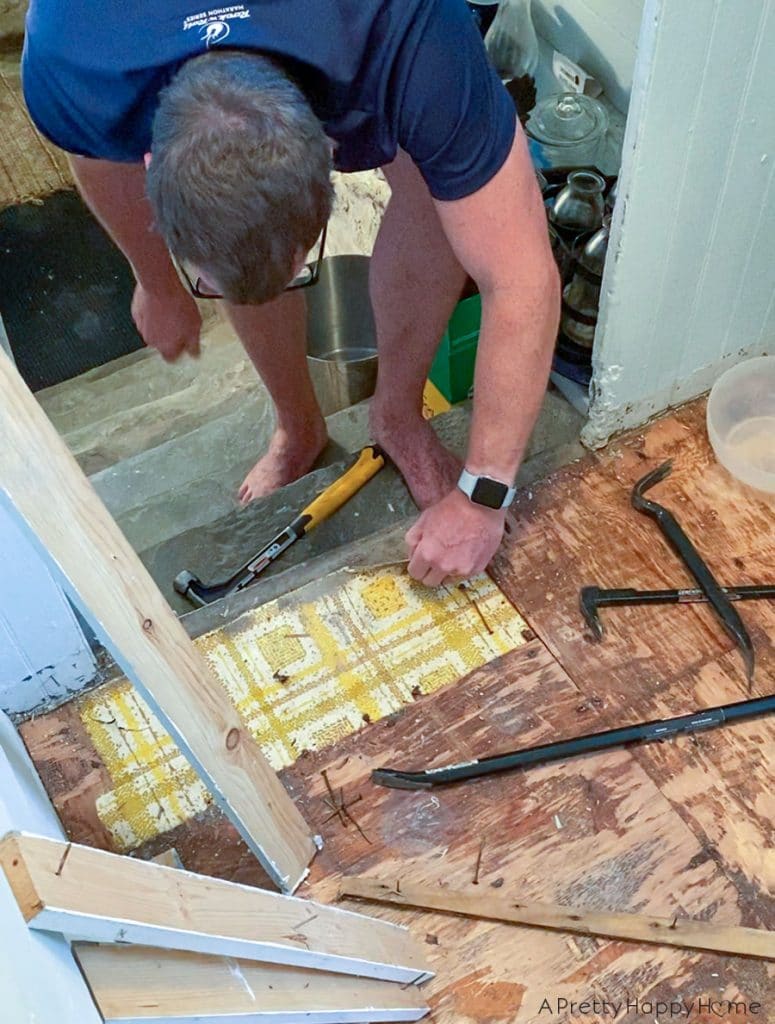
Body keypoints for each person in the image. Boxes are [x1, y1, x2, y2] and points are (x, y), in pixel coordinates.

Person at [22, 0, 559, 588]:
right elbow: (97, 147)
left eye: (295, 268)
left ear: (331, 154)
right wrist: (157, 283)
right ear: (150, 163)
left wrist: (483, 498)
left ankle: (398, 414)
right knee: (245, 245)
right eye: (213, 284)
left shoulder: (415, 37)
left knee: (438, 197)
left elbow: (520, 280)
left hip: (360, 32)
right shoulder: (74, 57)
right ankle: (297, 426)